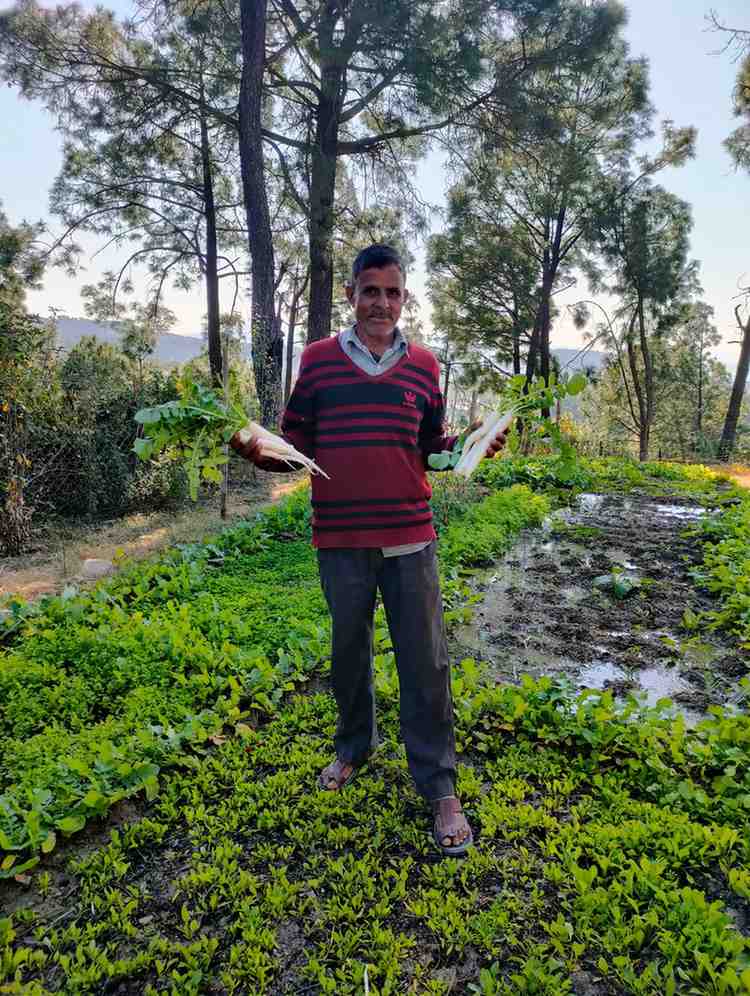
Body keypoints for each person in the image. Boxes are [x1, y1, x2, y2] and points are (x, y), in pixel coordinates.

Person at [231, 244, 506, 855]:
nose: (382, 303)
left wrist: (471, 446)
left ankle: (439, 785)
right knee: (349, 653)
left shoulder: (424, 367)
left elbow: (430, 446)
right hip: (341, 539)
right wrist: (257, 451)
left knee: (425, 663)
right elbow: (295, 445)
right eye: (371, 291)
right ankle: (354, 747)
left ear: (404, 299)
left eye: (393, 292)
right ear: (351, 294)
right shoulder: (318, 362)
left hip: (411, 538)